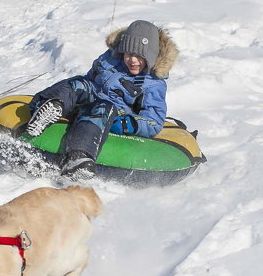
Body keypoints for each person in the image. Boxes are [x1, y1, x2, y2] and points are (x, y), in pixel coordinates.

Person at [22, 20, 179, 179]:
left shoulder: (153, 84)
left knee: (102, 107)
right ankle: (48, 108)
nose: (133, 60)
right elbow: (91, 77)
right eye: (129, 54)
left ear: (151, 57)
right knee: (79, 84)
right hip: (90, 96)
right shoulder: (111, 58)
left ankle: (79, 157)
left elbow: (154, 120)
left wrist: (126, 124)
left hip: (113, 113)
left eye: (139, 56)